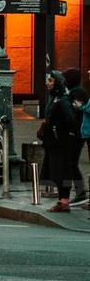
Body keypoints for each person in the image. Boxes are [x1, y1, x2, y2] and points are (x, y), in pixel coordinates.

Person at [42, 72, 84, 213]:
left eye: (51, 80)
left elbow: (71, 120)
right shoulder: (54, 98)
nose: (47, 83)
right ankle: (62, 201)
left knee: (64, 171)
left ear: (58, 83)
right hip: (54, 143)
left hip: (62, 143)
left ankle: (64, 201)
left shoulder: (63, 100)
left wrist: (58, 131)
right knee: (58, 172)